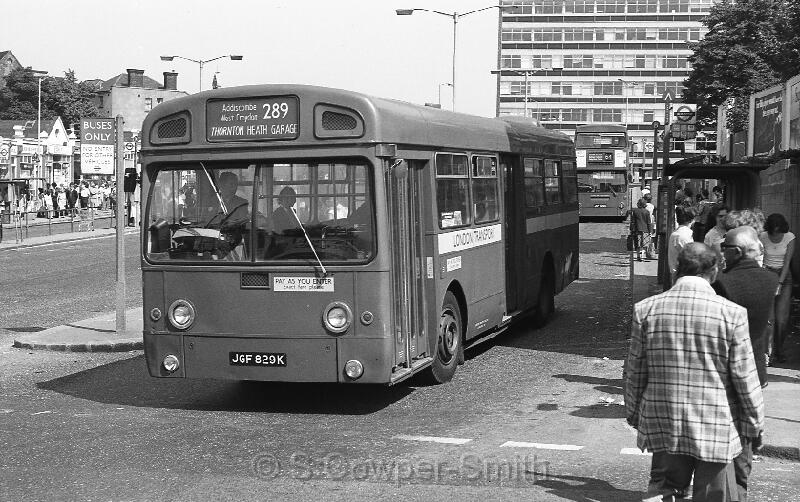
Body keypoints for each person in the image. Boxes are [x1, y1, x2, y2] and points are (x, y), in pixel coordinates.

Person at [626, 242, 764, 502]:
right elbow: (745, 378)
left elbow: (635, 371)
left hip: (664, 418)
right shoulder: (732, 314)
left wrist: (634, 413)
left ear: (677, 269)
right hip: (716, 423)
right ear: (714, 272)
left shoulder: (646, 310)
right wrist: (755, 424)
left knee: (665, 489)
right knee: (714, 494)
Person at [759, 213, 795, 364]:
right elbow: (760, 258)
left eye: (779, 230)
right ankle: (768, 354)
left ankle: (779, 350)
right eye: (773, 230)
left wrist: (779, 283)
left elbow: (787, 263)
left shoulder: (789, 237)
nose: (776, 233)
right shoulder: (762, 236)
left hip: (784, 277)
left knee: (782, 319)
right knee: (769, 319)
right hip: (767, 273)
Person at [667, 205, 695, 281]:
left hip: (676, 274)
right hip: (684, 276)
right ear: (691, 220)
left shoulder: (676, 233)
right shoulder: (685, 235)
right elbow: (691, 257)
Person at [643, 193, 656, 259]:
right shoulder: (653, 206)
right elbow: (654, 216)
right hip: (651, 223)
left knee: (645, 237)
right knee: (651, 237)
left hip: (644, 223)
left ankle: (645, 252)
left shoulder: (644, 206)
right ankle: (650, 252)